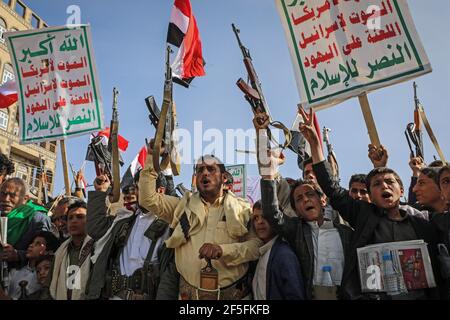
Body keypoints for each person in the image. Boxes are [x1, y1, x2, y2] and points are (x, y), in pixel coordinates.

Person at [298, 106, 442, 299]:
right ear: (370, 196)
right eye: (376, 184)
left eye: (390, 182)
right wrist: (315, 144)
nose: (384, 186)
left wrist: (381, 168)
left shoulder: (422, 219)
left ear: (402, 190)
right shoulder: (364, 215)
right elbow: (331, 187)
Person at [139, 140, 262, 300]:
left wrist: (223, 250)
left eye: (211, 169)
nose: (205, 173)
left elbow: (256, 247)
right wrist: (152, 156)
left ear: (224, 178)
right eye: (200, 170)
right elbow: (147, 199)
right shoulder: (181, 206)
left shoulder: (243, 210)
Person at [253, 111, 352, 300]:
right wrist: (262, 136)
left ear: (323, 200)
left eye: (310, 195)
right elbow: (272, 211)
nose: (305, 200)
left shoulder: (347, 231)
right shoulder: (297, 231)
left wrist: (315, 144)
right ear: (295, 209)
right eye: (299, 199)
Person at [86, 171, 172, 300]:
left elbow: (170, 276)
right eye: (137, 188)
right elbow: (95, 228)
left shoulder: (170, 228)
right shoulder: (124, 221)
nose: (138, 192)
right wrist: (100, 191)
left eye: (144, 188)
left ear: (160, 191)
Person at [251, 200, 305, 300]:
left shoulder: (284, 255)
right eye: (255, 218)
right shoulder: (261, 252)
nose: (259, 222)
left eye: (265, 217)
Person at [0, 178, 51, 267]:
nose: (6, 199)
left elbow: (43, 252)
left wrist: (17, 255)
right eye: (3, 194)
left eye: (12, 195)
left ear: (25, 199)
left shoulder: (38, 219)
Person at [50, 199, 93, 300]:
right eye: (70, 218)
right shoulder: (60, 252)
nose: (74, 221)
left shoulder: (97, 248)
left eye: (80, 217)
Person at [8, 231, 58, 299]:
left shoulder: (46, 275)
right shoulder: (15, 271)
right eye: (32, 242)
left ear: (47, 251)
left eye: (38, 244)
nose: (31, 245)